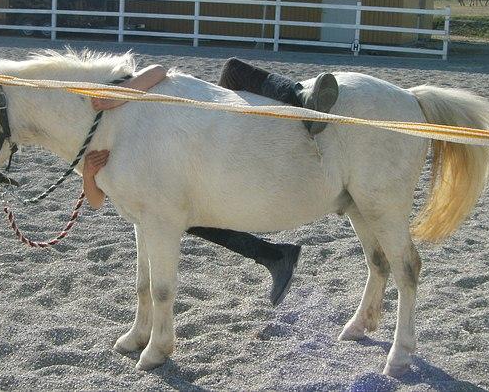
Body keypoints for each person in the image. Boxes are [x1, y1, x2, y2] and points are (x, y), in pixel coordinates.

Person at [86, 57, 339, 306]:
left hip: (206, 120)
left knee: (232, 68)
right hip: (205, 137)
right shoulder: (108, 146)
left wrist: (120, 95)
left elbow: (159, 70)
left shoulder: (125, 100)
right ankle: (272, 255)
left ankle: (302, 99)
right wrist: (88, 172)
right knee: (187, 219)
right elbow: (95, 199)